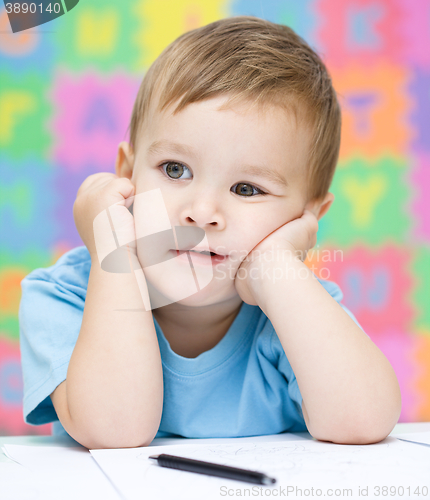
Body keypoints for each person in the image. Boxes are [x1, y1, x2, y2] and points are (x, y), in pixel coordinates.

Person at [19, 16, 401, 450]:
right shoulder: (64, 296)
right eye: (175, 170)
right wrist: (114, 245)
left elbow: (364, 423)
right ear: (127, 175)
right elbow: (114, 431)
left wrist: (277, 266)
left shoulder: (292, 310)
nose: (202, 213)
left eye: (247, 189)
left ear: (306, 218)